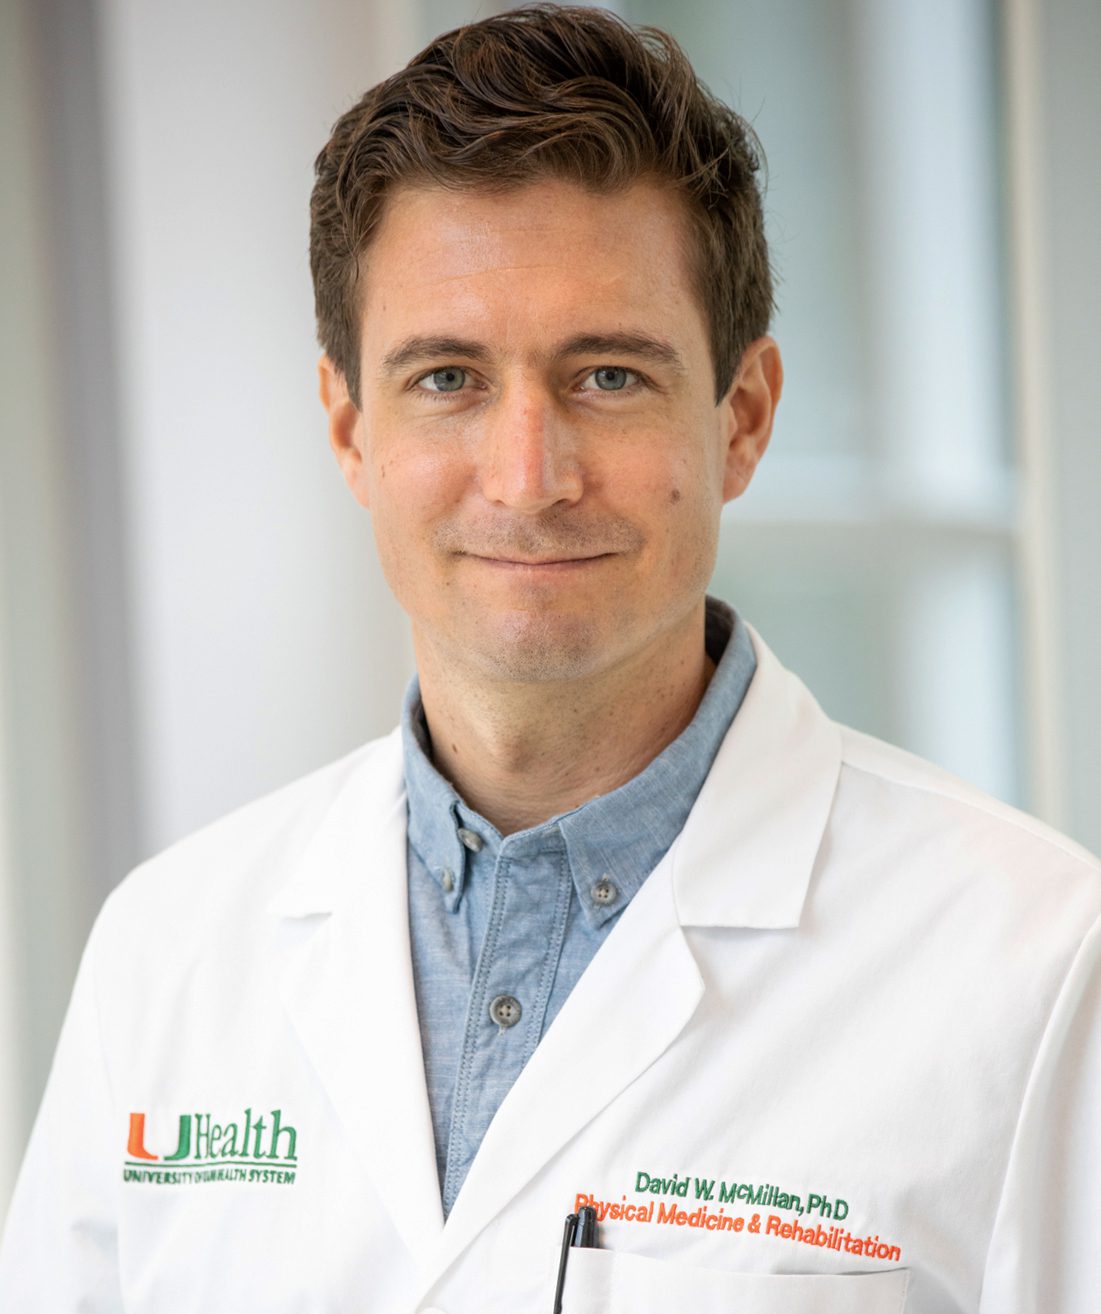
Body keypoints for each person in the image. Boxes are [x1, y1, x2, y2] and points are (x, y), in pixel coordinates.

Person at [1, 5, 1099, 1311]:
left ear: (741, 419)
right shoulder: (168, 950)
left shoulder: (1035, 961)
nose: (528, 479)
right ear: (350, 429)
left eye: (609, 376)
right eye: (447, 379)